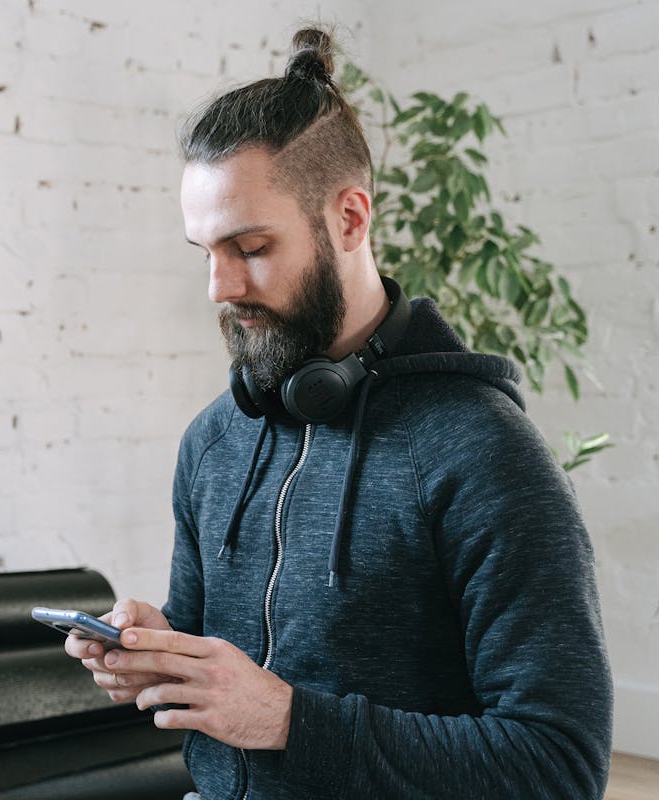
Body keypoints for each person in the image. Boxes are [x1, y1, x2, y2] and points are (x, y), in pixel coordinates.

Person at [64, 26, 613, 800]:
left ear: (351, 219)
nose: (219, 288)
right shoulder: (214, 442)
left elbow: (558, 766)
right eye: (205, 252)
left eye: (250, 247)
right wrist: (160, 652)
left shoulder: (482, 452)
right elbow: (208, 668)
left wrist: (290, 720)